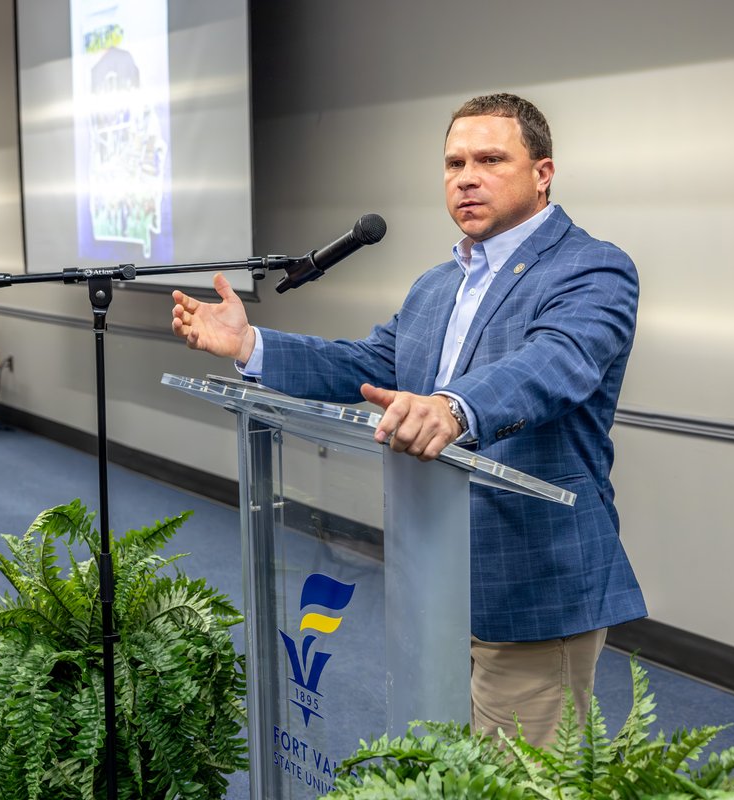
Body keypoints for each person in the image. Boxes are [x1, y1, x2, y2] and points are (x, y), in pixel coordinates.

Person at [170, 93, 646, 746]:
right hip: (433, 570)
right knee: (442, 769)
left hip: (531, 578)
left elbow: (555, 362)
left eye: (489, 159)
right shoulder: (436, 285)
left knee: (522, 787)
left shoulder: (592, 268)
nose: (466, 177)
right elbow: (369, 363)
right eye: (453, 163)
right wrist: (251, 346)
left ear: (542, 174)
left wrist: (453, 407)